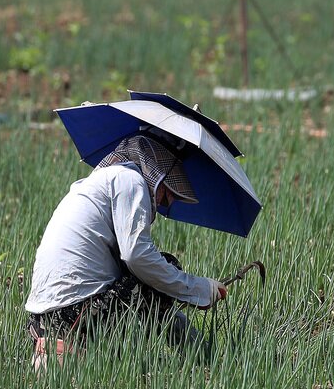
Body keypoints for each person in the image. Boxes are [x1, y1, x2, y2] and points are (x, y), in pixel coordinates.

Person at [25, 133, 227, 368]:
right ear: (158, 174)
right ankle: (203, 357)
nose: (164, 204)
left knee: (147, 281)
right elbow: (138, 257)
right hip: (76, 313)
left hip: (42, 321)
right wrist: (199, 288)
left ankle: (68, 353)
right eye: (167, 192)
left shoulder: (97, 183)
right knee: (161, 271)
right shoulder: (129, 180)